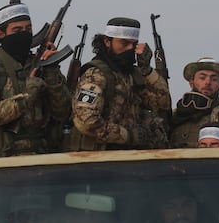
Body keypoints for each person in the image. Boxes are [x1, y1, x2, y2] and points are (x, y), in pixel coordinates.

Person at [0, 1, 72, 158]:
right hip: (5, 161)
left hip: (44, 156)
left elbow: (63, 111)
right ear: (2, 34)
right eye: (17, 30)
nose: (24, 34)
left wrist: (51, 70)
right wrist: (26, 98)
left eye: (28, 29)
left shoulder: (40, 64)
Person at [66, 17, 171, 151]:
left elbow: (163, 103)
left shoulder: (131, 74)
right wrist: (127, 136)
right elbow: (86, 120)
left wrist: (147, 69)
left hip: (126, 156)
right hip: (97, 157)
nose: (129, 48)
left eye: (133, 44)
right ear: (107, 42)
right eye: (124, 43)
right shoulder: (97, 74)